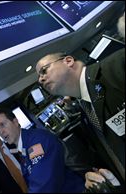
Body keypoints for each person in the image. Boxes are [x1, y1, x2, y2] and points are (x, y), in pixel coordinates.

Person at [36, 49, 125, 191]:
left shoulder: (116, 66)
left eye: (44, 70)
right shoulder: (86, 115)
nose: (40, 79)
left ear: (68, 61)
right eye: (39, 77)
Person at [0, 108, 85, 193]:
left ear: (15, 122)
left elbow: (44, 183)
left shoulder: (36, 140)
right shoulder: (24, 148)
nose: (1, 132)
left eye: (3, 125)